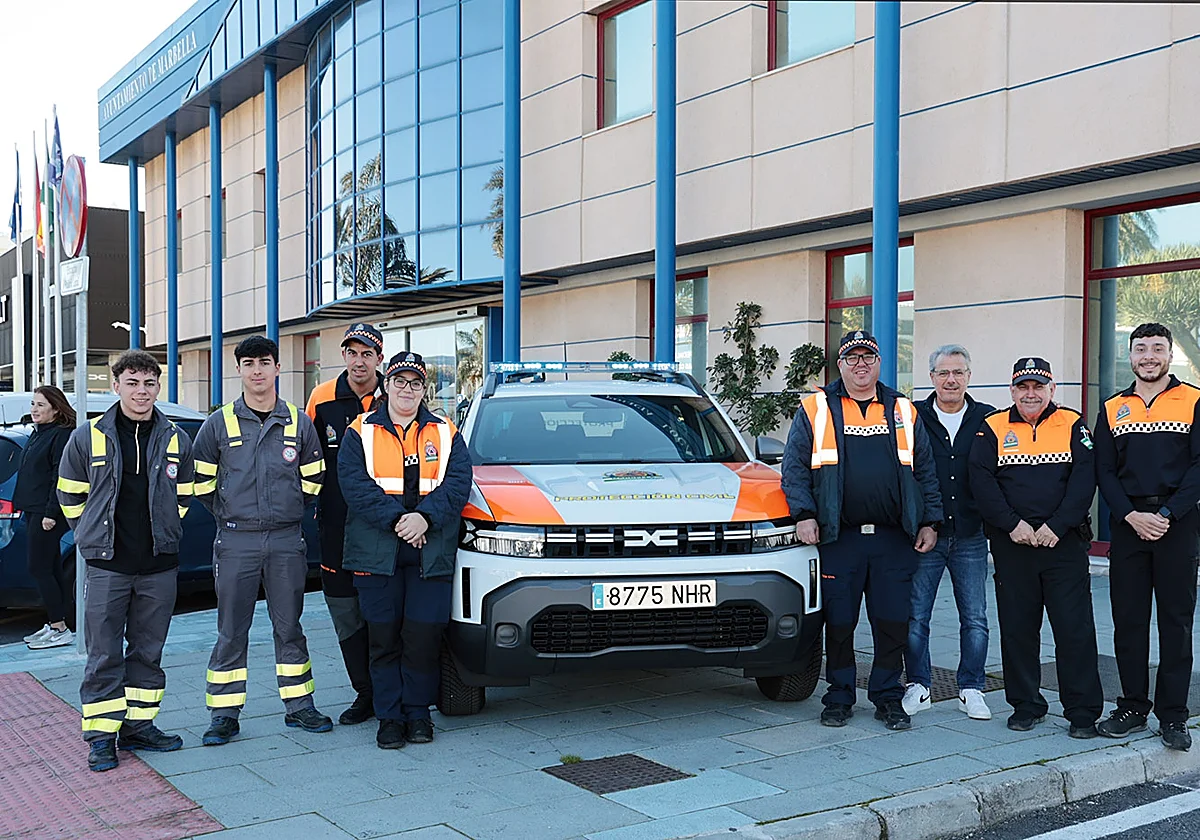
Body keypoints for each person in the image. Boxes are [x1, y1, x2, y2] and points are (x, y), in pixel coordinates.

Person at [782, 330, 942, 731]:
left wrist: (930, 520)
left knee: (892, 621)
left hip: (894, 538)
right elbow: (794, 467)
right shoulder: (816, 407)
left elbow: (925, 469)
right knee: (839, 622)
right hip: (840, 538)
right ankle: (839, 696)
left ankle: (887, 695)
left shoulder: (903, 409)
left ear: (879, 363)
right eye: (852, 358)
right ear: (840, 364)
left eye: (868, 357)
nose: (860, 365)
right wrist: (803, 514)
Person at [56, 351, 195, 772]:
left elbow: (184, 495)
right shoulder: (88, 436)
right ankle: (101, 737)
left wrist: (165, 530)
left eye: (149, 383)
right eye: (132, 383)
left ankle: (139, 727)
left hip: (158, 565)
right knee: (103, 653)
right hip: (107, 566)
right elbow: (69, 494)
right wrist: (91, 534)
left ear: (158, 387)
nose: (141, 391)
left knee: (148, 651)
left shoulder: (176, 438)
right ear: (116, 386)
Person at [192, 335, 332, 745]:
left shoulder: (298, 421)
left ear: (277, 368)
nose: (257, 370)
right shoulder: (218, 424)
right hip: (236, 541)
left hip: (286, 540)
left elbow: (314, 479)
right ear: (239, 369)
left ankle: (299, 706)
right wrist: (231, 515)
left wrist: (287, 511)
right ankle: (224, 715)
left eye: (264, 362)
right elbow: (201, 484)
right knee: (231, 630)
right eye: (249, 363)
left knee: (289, 627)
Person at [338, 351, 471, 749]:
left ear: (424, 389)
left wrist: (424, 518)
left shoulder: (446, 432)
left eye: (415, 383)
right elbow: (354, 485)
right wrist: (401, 521)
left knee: (423, 636)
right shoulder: (360, 431)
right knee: (383, 638)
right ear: (386, 385)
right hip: (377, 553)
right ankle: (389, 717)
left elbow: (458, 483)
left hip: (430, 552)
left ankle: (417, 714)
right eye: (399, 381)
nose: (407, 389)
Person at [969, 357, 1103, 737]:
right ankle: (1026, 705)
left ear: (1051, 390)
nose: (1031, 394)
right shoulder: (992, 427)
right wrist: (1013, 524)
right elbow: (981, 482)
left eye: (1038, 387)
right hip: (1014, 545)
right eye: (1023, 387)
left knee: (1074, 630)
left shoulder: (1073, 424)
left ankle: (1082, 712)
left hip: (1063, 545)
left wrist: (1056, 526)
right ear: (1012, 390)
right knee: (1018, 630)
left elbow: (1084, 481)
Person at [1094, 323, 1200, 751]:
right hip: (1129, 524)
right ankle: (1133, 707)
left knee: (1176, 623)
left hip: (1178, 524)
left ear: (1170, 355)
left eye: (1157, 348)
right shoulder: (1112, 408)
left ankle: (1173, 715)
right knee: (1129, 621)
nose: (1149, 356)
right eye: (1141, 349)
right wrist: (1130, 515)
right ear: (1130, 355)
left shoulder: (1193, 400)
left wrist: (1168, 514)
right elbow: (1104, 471)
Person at [903, 345, 996, 721]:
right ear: (932, 378)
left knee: (975, 617)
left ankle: (971, 688)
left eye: (958, 372)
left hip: (971, 534)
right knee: (916, 616)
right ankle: (919, 685)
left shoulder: (988, 418)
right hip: (927, 534)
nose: (951, 380)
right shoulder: (914, 417)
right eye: (943, 373)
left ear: (969, 376)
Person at [305, 323, 385, 726]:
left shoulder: (393, 396)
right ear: (343, 356)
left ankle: (390, 693)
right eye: (352, 353)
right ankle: (364, 693)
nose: (359, 361)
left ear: (379, 359)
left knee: (383, 613)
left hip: (384, 529)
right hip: (335, 528)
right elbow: (306, 459)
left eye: (367, 354)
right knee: (345, 612)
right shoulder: (321, 398)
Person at [16, 386, 77, 650]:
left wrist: (51, 513)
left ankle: (59, 627)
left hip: (46, 512)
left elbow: (58, 476)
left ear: (56, 408)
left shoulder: (61, 435)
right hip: (33, 509)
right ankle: (56, 623)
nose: (34, 409)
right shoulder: (38, 432)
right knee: (50, 567)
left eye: (40, 404)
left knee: (39, 568)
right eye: (33, 403)